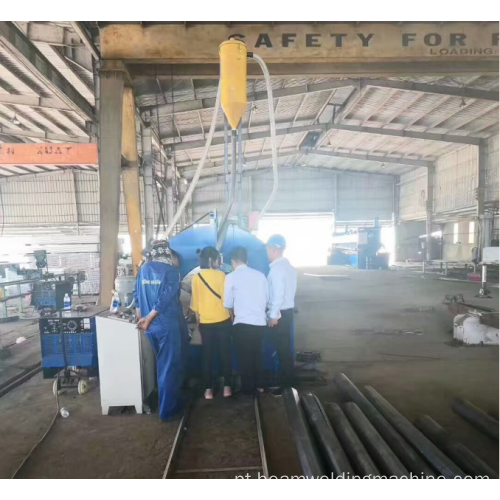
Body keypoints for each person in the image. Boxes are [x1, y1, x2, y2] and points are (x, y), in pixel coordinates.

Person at [134, 240, 185, 420]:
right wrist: (149, 317)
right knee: (168, 368)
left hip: (150, 328)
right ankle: (167, 411)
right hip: (165, 326)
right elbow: (165, 299)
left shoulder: (143, 270)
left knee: (162, 366)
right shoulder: (171, 272)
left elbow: (137, 296)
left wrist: (143, 317)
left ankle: (168, 402)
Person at [224, 246, 268, 394]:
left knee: (245, 358)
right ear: (247, 260)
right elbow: (267, 299)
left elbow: (227, 303)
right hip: (260, 323)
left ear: (233, 262)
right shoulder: (260, 276)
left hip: (242, 324)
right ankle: (261, 386)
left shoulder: (230, 277)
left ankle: (248, 389)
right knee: (257, 355)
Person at [190, 246, 232, 400]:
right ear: (211, 260)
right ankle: (227, 388)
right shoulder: (222, 276)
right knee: (225, 354)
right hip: (223, 320)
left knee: (207, 356)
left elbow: (195, 304)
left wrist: (199, 321)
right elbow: (227, 301)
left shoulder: (196, 278)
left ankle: (208, 390)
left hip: (206, 323)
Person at [266, 235, 297, 388]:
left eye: (267, 250)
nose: (267, 253)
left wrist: (272, 316)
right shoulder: (289, 267)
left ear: (273, 249)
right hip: (288, 311)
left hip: (280, 314)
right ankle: (289, 382)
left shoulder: (277, 270)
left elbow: (278, 295)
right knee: (285, 350)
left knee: (282, 350)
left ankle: (287, 386)